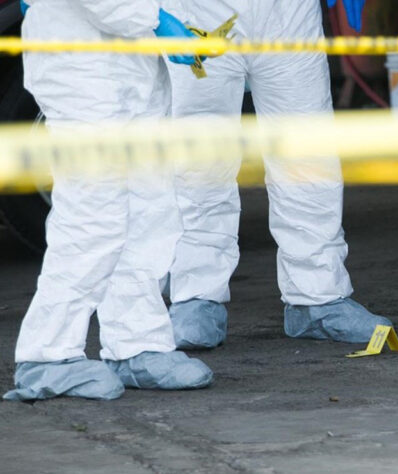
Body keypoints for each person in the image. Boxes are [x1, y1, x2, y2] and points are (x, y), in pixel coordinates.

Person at [4, 0, 213, 401]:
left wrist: (174, 24)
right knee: (93, 214)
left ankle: (138, 345)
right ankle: (47, 354)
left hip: (132, 62)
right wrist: (156, 20)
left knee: (148, 210)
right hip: (81, 65)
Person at [166, 0, 392, 350]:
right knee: (199, 159)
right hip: (198, 10)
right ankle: (195, 296)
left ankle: (317, 297)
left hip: (288, 10)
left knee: (307, 154)